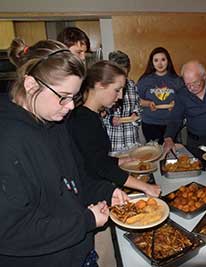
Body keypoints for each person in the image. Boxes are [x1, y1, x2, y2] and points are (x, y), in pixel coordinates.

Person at [0, 38, 128, 267]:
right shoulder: (8, 141)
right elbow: (11, 231)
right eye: (63, 96)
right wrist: (85, 221)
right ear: (31, 85)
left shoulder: (55, 122)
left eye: (74, 97)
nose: (70, 106)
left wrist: (107, 191)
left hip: (79, 253)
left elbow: (75, 180)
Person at [67, 60, 160, 196]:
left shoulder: (91, 116)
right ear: (99, 85)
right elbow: (101, 166)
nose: (120, 96)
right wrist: (145, 187)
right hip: (88, 192)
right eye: (117, 90)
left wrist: (120, 161)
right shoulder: (83, 119)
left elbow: (92, 157)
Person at [163, 60, 206, 158]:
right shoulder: (182, 94)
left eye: (196, 82)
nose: (191, 88)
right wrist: (168, 138)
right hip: (195, 143)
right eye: (187, 84)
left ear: (204, 76)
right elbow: (175, 119)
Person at [137, 47, 183, 144]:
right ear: (152, 63)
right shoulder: (145, 80)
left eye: (163, 60)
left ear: (168, 61)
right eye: (156, 60)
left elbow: (184, 99)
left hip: (172, 124)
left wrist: (176, 104)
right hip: (150, 123)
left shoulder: (177, 80)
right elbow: (137, 100)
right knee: (155, 153)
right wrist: (148, 103)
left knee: (170, 154)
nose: (160, 63)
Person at [102, 50, 141, 152]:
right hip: (114, 143)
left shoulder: (132, 86)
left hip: (132, 141)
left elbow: (138, 106)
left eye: (125, 72)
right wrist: (110, 120)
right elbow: (99, 115)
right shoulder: (105, 87)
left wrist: (135, 114)